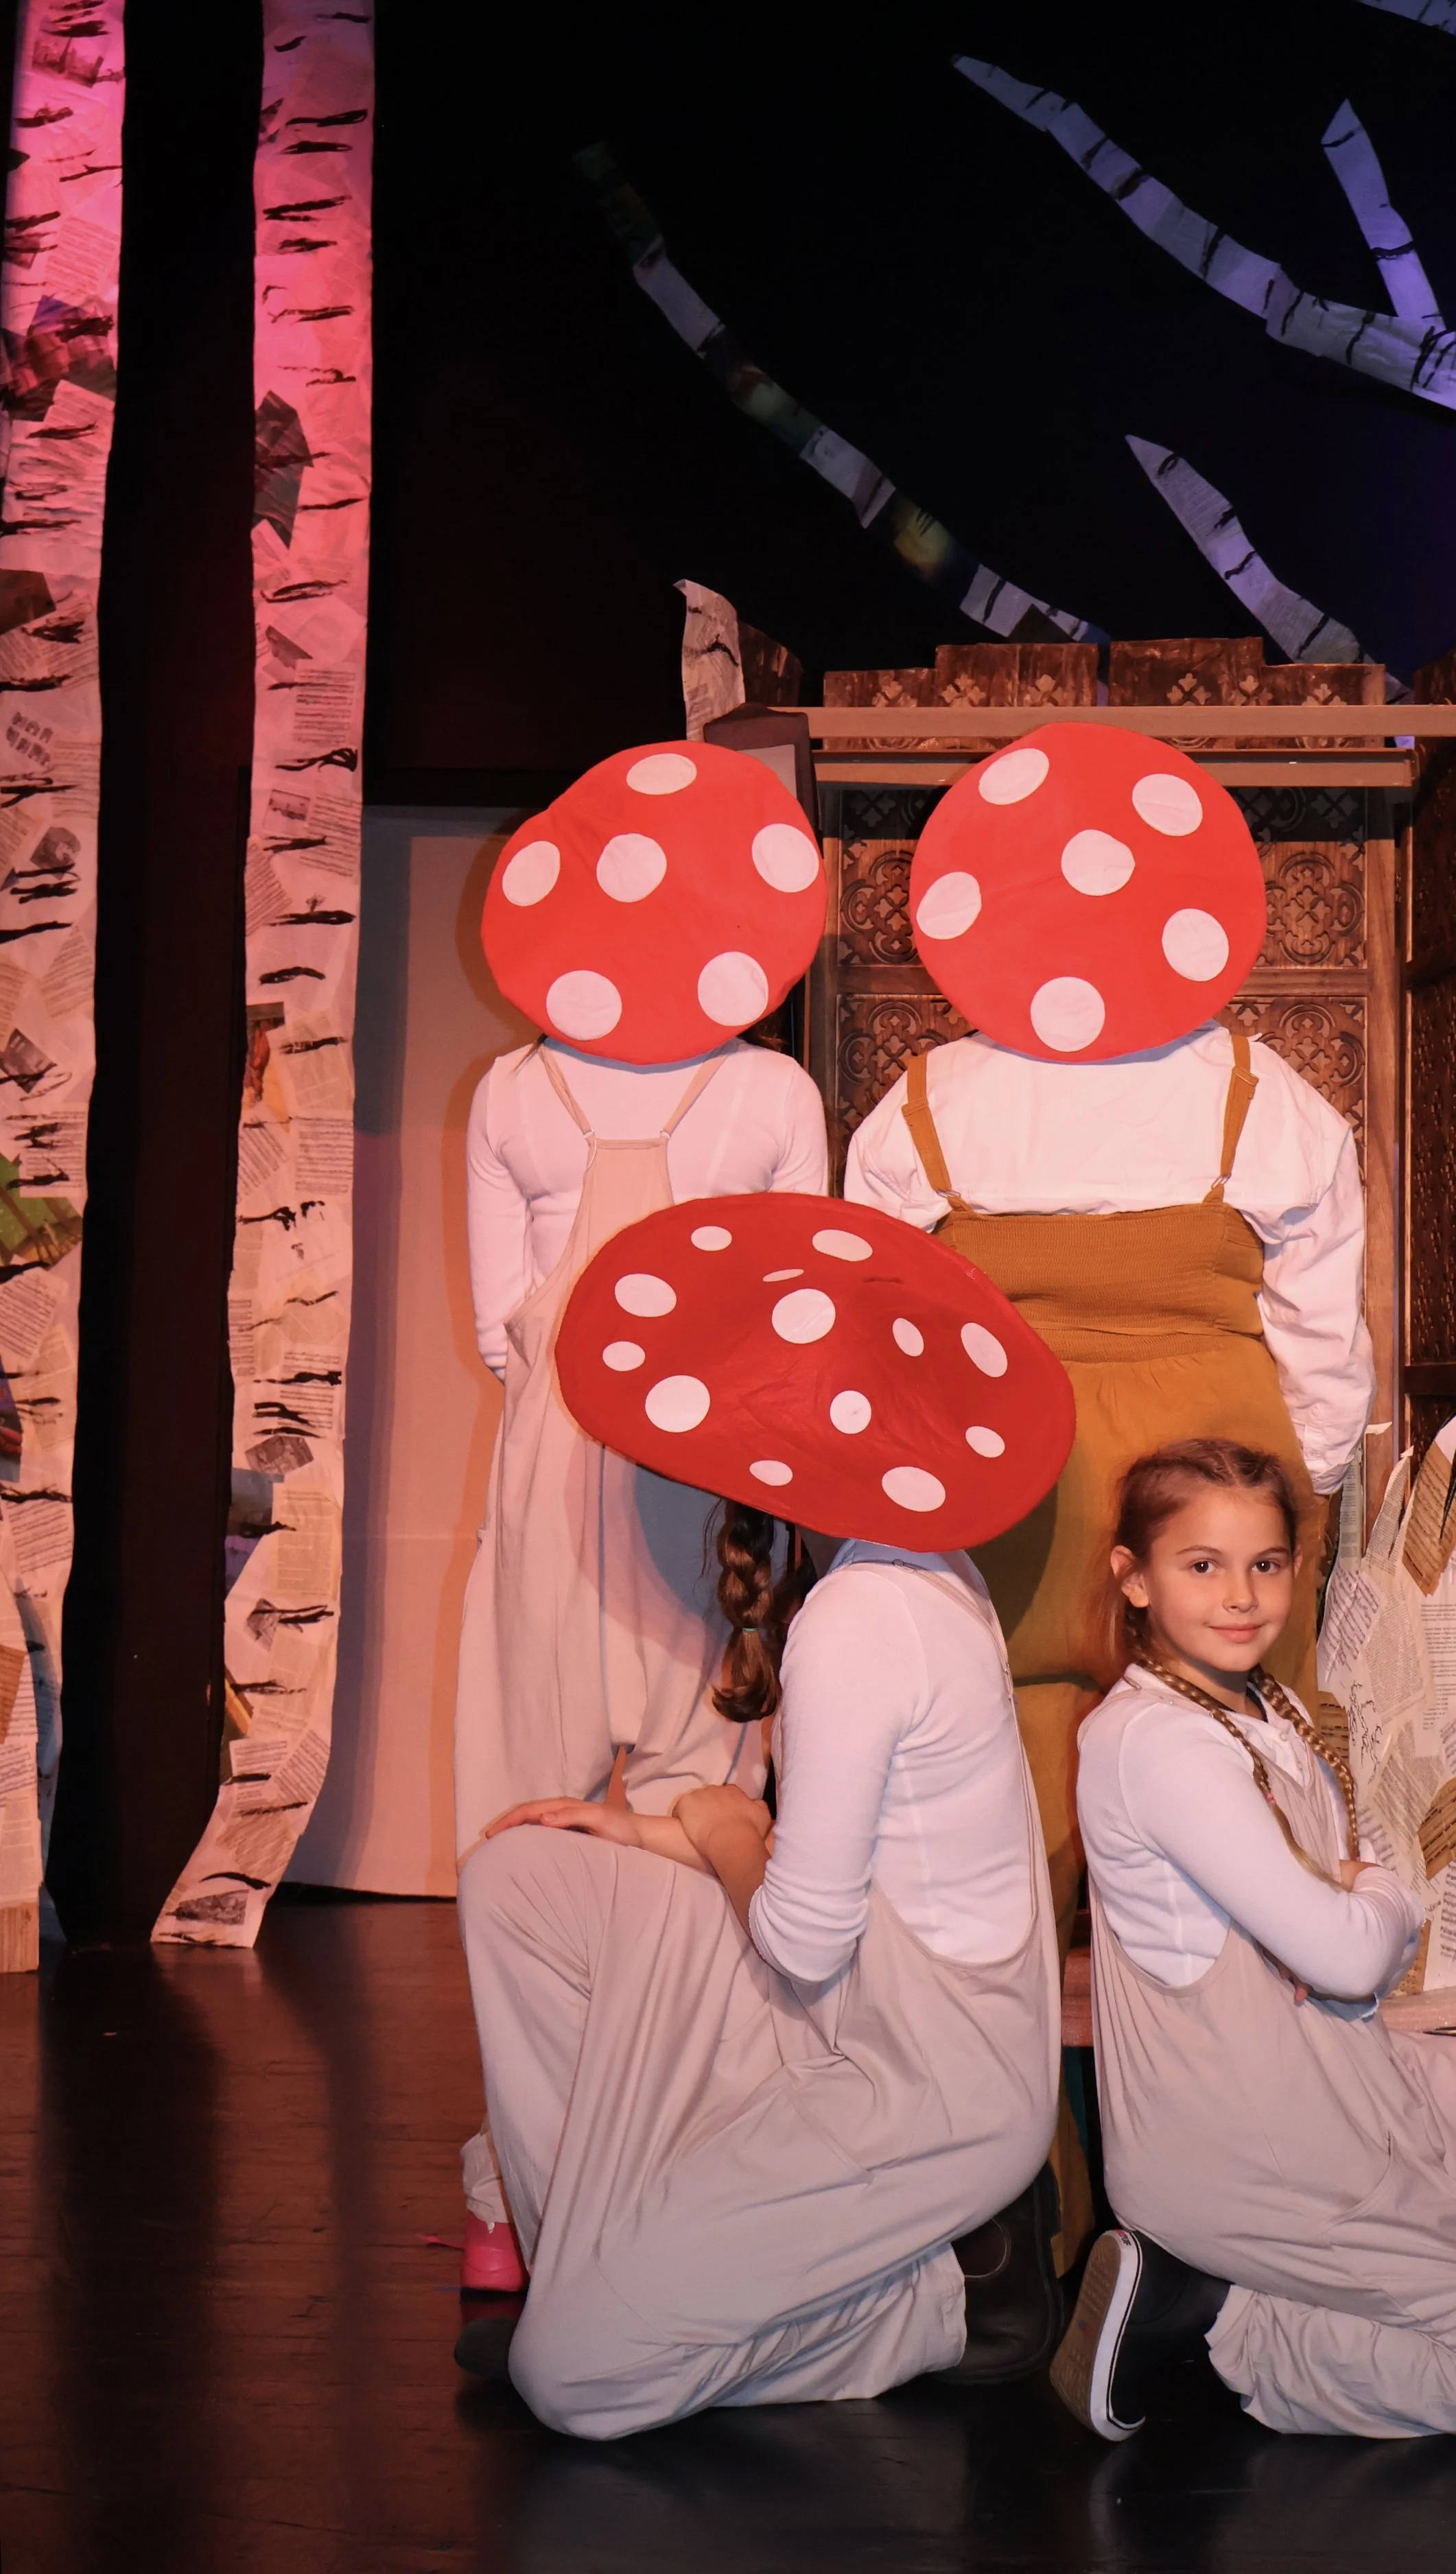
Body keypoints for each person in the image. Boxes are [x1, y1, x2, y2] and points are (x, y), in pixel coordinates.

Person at [454, 1188, 1074, 2435]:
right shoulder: (892, 1572)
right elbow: (829, 1856)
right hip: (856, 2003)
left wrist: (722, 1830)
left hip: (923, 2084)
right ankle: (594, 2271)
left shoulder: (863, 1615)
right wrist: (660, 1831)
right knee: (514, 1881)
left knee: (573, 2379)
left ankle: (944, 2299)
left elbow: (798, 1939)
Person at [843, 723, 1375, 1980]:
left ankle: (1005, 2053)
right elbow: (1322, 1331)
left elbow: (879, 1328)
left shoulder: (924, 1103)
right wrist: (1309, 1491)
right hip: (1215, 1475)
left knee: (1010, 1758)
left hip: (1012, 1473)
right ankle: (1238, 2055)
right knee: (1228, 1765)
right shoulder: (1264, 1093)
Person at [454, 739, 829, 2286]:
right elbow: (805, 1298)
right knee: (703, 1801)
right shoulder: (772, 1089)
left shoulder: (512, 1090)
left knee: (521, 1807)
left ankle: (516, 2192)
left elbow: (503, 1328)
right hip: (711, 1467)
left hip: (558, 1458)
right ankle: (691, 2148)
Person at [1054, 1437, 1456, 2445]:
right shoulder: (1156, 1743)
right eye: (1202, 1565)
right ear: (1134, 1577)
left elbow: (1355, 1927)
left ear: (1297, 1567)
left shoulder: (1265, 1703)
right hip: (1245, 2142)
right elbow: (1353, 1953)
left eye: (1265, 1563)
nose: (1240, 1596)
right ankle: (1234, 2321)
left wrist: (1359, 1908)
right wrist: (1371, 1902)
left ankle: (1322, 2277)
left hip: (1336, 2076)